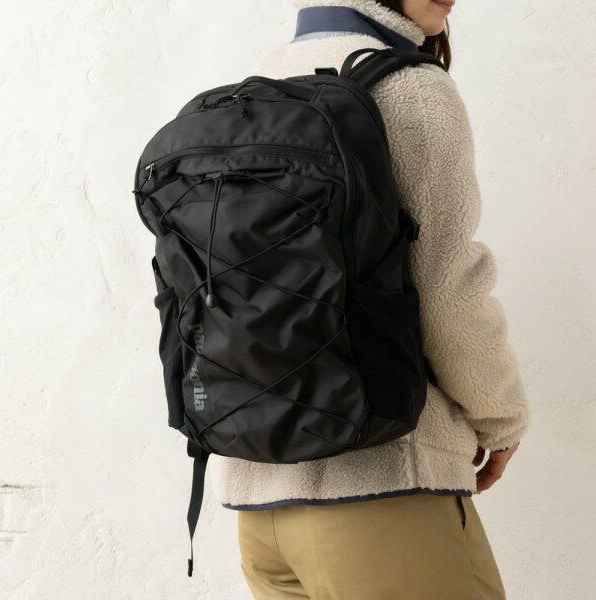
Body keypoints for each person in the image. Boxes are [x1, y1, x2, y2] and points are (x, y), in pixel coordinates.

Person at [207, 1, 530, 598]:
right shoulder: (408, 87)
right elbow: (447, 287)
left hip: (258, 503)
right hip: (381, 496)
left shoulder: (257, 81)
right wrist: (501, 417)